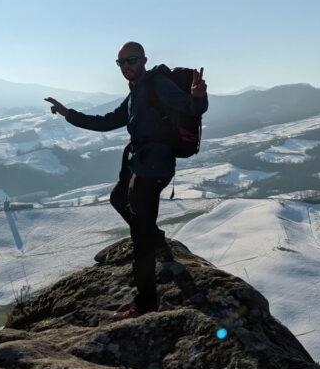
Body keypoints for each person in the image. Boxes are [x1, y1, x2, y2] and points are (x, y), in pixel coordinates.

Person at [44, 41, 208, 318]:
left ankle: (146, 303)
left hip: (155, 166)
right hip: (138, 159)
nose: (126, 67)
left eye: (131, 60)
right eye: (121, 63)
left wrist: (199, 96)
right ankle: (155, 238)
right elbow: (107, 121)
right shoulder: (136, 91)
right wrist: (67, 113)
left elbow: (192, 108)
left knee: (139, 236)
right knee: (118, 198)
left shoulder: (158, 84)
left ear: (143, 59)